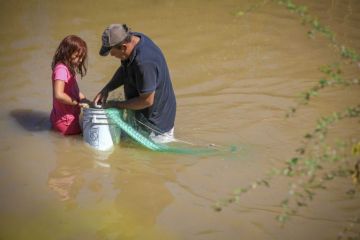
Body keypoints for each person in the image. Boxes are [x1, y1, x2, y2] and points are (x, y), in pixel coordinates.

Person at [94, 24, 177, 143]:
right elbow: (125, 70)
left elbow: (147, 101)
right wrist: (107, 89)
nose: (112, 56)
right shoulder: (133, 39)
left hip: (156, 127)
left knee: (149, 161)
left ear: (123, 47)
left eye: (112, 53)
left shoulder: (144, 62)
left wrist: (116, 104)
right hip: (141, 115)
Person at [50, 35, 90, 135]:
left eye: (82, 57)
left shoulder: (68, 68)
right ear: (67, 53)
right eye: (77, 57)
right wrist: (77, 103)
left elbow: (74, 89)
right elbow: (59, 95)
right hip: (66, 123)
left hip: (63, 118)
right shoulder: (61, 69)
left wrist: (85, 100)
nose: (80, 60)